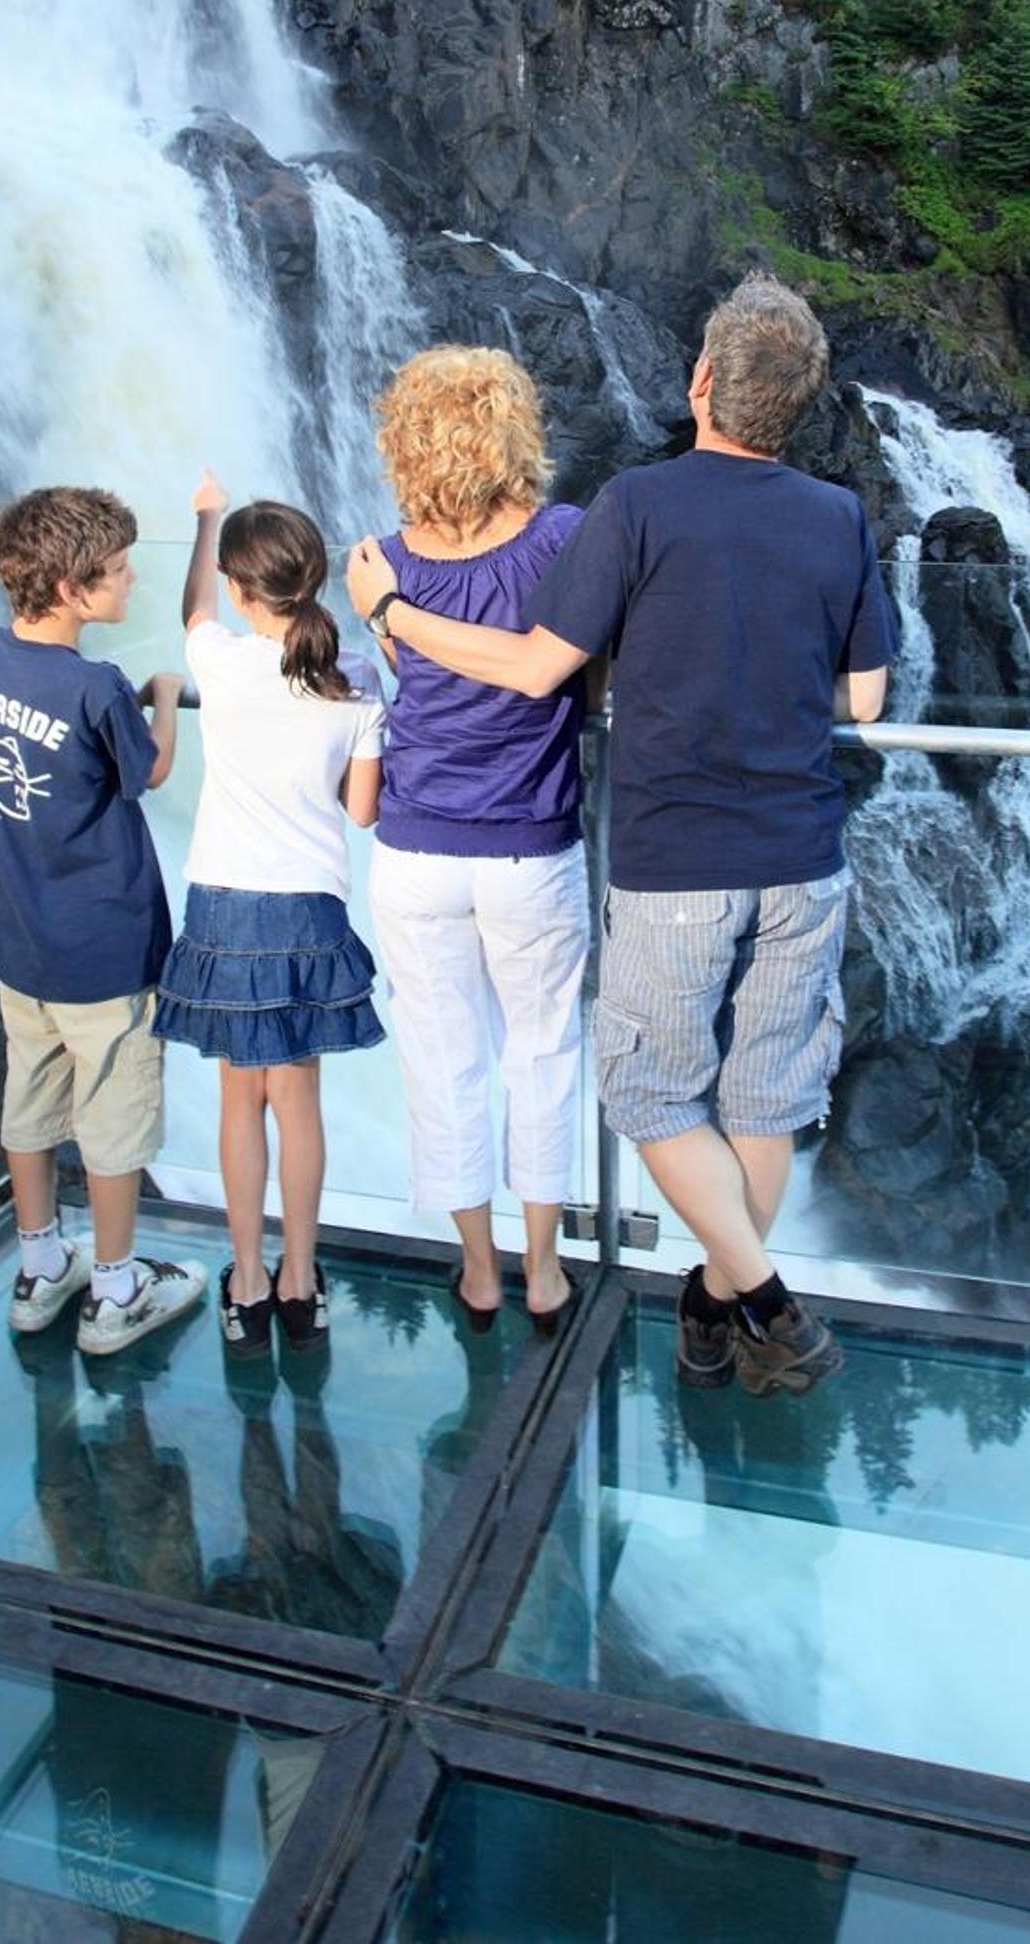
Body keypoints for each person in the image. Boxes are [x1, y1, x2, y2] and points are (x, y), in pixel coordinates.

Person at [349, 275, 895, 1398]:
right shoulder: (838, 514)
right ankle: (715, 1304)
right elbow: (869, 697)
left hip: (672, 858)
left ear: (700, 381)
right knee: (763, 1099)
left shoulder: (636, 504)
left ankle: (760, 1301)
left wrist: (391, 611)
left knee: (647, 1094)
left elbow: (538, 666)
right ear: (798, 404)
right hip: (802, 852)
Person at [361, 346, 591, 1333]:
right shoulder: (562, 540)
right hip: (529, 846)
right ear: (512, 430)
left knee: (440, 1059)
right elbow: (579, 664)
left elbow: (407, 670)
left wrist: (392, 612)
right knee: (541, 1053)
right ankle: (544, 1270)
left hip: (415, 845)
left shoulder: (382, 563)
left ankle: (479, 1270)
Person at [0, 485, 208, 1357]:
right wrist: (163, 696)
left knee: (28, 1099)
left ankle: (38, 1269)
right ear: (71, 590)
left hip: (19, 942)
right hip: (105, 946)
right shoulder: (97, 687)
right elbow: (148, 773)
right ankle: (116, 1290)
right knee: (112, 1120)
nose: (132, 581)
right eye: (119, 570)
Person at [157, 473, 385, 1356]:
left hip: (224, 902)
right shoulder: (354, 676)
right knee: (298, 1102)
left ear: (239, 588)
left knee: (237, 1099)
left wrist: (206, 518)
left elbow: (193, 612)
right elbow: (361, 811)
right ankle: (300, 1280)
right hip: (309, 906)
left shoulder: (217, 660)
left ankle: (247, 1281)